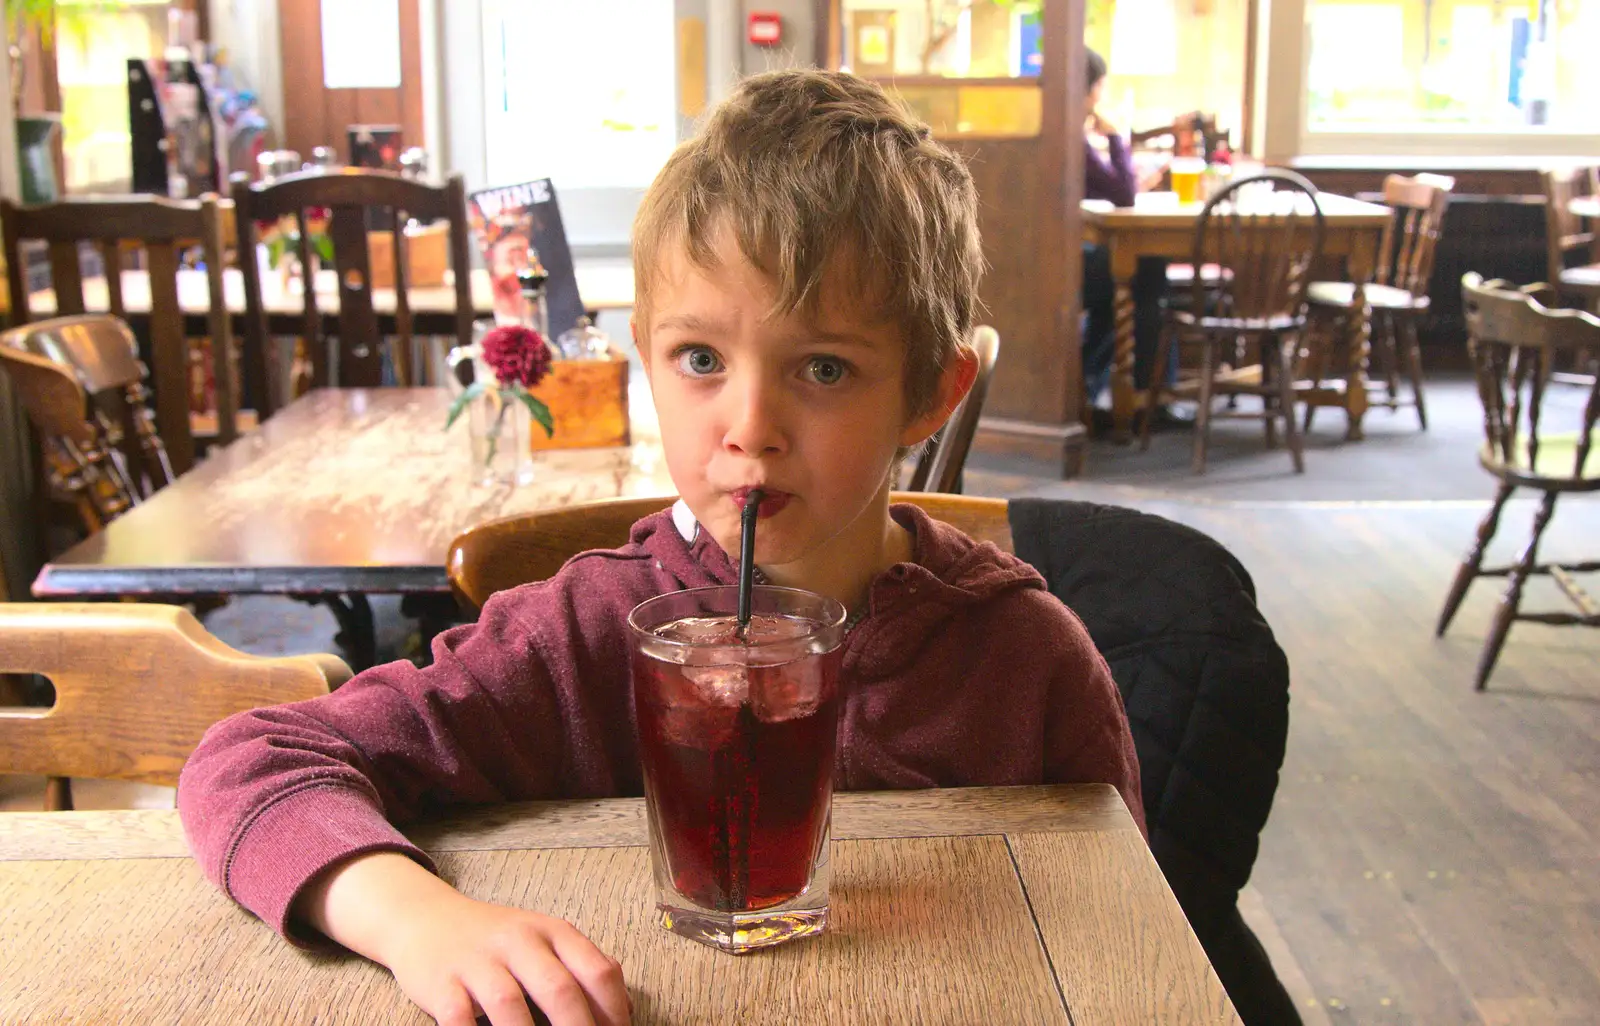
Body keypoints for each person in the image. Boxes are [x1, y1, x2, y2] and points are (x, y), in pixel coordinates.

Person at [178, 69, 1145, 1026]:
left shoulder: (1027, 660)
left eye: (824, 367)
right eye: (701, 360)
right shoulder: (588, 632)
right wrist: (419, 923)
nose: (749, 427)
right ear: (645, 354)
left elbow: (1121, 937)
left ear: (934, 393)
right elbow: (253, 760)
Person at [1080, 48, 1179, 417]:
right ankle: (1148, 394)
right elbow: (1123, 192)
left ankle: (1120, 386)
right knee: (1148, 271)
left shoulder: (1067, 134)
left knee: (1142, 275)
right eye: (1100, 87)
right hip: (1076, 263)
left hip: (1072, 256)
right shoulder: (1075, 140)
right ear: (1090, 90)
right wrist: (1118, 138)